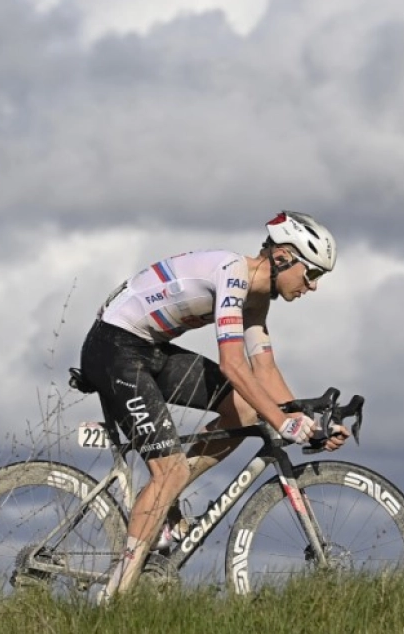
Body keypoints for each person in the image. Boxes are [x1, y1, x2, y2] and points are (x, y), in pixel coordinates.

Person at [77, 210, 348, 601]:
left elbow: (265, 368)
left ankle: (165, 501)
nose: (314, 286)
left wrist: (304, 421)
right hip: (113, 348)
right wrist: (284, 422)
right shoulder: (232, 274)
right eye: (312, 274)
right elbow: (233, 365)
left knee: (245, 409)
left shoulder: (256, 300)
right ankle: (115, 596)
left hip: (148, 349)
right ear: (285, 256)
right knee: (167, 471)